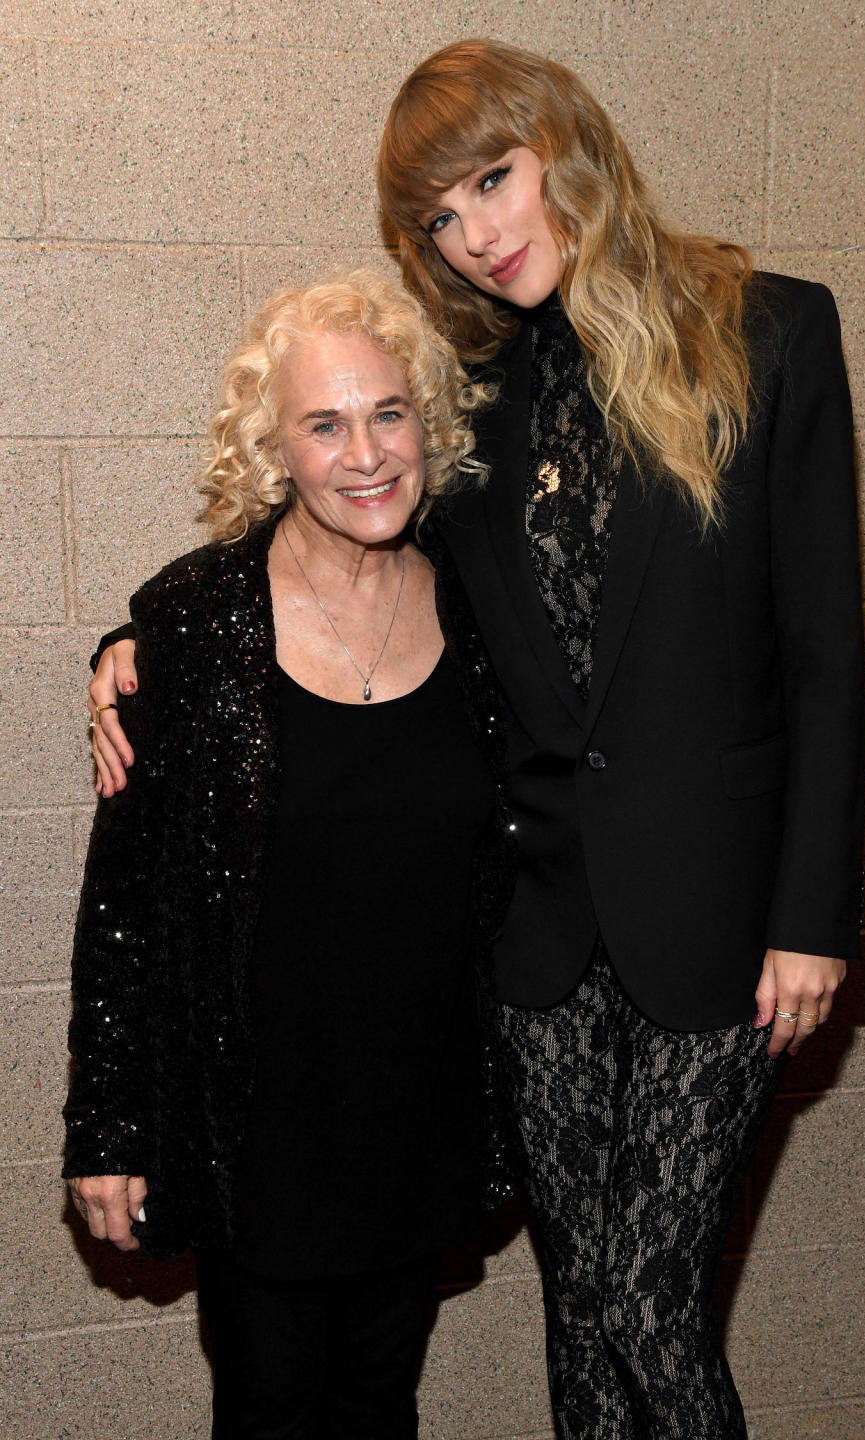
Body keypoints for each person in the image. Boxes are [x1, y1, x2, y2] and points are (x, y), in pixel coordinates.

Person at [88, 38, 865, 1440]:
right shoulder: (485, 402)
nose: (477, 235)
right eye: (441, 218)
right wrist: (139, 642)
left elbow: (825, 656)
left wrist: (815, 916)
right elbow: (342, 521)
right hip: (544, 939)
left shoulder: (775, 334)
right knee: (579, 1300)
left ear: (566, 141)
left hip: (724, 922)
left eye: (492, 182)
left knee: (648, 1301)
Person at [65, 269, 516, 1440]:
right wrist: (109, 1128)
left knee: (379, 1402)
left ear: (429, 424)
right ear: (273, 450)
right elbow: (122, 904)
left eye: (389, 413)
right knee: (268, 1408)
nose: (365, 453)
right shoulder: (196, 621)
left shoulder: (486, 608)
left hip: (415, 1108)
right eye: (324, 423)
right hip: (258, 1125)